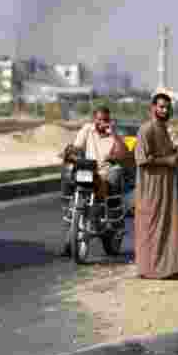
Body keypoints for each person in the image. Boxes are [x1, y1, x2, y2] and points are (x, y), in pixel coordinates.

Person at [59, 106, 132, 256]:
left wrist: (114, 135)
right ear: (94, 120)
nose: (102, 123)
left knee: (116, 175)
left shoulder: (114, 135)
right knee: (67, 172)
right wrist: (70, 153)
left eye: (105, 120)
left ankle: (113, 217)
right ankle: (68, 209)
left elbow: (123, 153)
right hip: (88, 170)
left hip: (105, 173)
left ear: (109, 120)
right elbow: (77, 146)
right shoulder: (87, 129)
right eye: (99, 120)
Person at [134, 93, 178, 279]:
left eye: (167, 107)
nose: (164, 110)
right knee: (152, 226)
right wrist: (168, 160)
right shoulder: (146, 130)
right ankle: (150, 269)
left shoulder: (163, 129)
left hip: (167, 184)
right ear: (153, 108)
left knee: (168, 226)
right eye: (161, 107)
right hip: (151, 187)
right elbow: (142, 160)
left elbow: (167, 155)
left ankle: (168, 268)